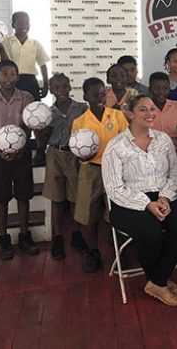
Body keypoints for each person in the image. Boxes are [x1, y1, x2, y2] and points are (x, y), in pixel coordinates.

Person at [102, 94, 177, 307]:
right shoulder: (116, 146)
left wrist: (164, 197)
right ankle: (160, 281)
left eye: (153, 108)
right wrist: (147, 204)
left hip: (163, 196)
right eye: (143, 109)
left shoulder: (163, 140)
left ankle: (157, 281)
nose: (150, 113)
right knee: (150, 229)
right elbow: (114, 189)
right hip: (128, 202)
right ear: (130, 113)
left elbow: (175, 174)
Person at [0, 59, 39, 260]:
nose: (8, 79)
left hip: (22, 155)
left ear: (18, 76)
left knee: (23, 195)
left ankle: (24, 235)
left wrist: (21, 148)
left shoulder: (26, 98)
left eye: (12, 74)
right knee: (1, 198)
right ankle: (3, 238)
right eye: (4, 74)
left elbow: (29, 126)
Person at [70, 77, 129, 272]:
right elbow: (76, 150)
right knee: (86, 215)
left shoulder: (117, 116)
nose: (100, 97)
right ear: (85, 96)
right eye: (94, 94)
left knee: (119, 212)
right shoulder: (79, 122)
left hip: (115, 170)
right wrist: (86, 154)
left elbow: (127, 142)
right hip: (91, 170)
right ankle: (93, 252)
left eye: (103, 93)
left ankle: (121, 251)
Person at [42, 73, 88, 260]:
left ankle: (77, 234)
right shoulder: (46, 113)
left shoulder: (82, 109)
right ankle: (57, 238)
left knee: (75, 197)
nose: (61, 91)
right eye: (57, 87)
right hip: (54, 153)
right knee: (56, 198)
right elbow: (42, 141)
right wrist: (40, 132)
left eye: (64, 86)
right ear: (51, 90)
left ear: (70, 87)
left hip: (75, 155)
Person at [0, 11, 51, 164]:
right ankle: (17, 147)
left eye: (26, 22)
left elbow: (43, 64)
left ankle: (41, 150)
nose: (23, 25)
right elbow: (5, 62)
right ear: (13, 24)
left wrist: (45, 84)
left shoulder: (35, 44)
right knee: (16, 116)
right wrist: (0, 47)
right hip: (13, 82)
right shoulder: (7, 42)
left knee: (36, 117)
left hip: (31, 81)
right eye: (20, 22)